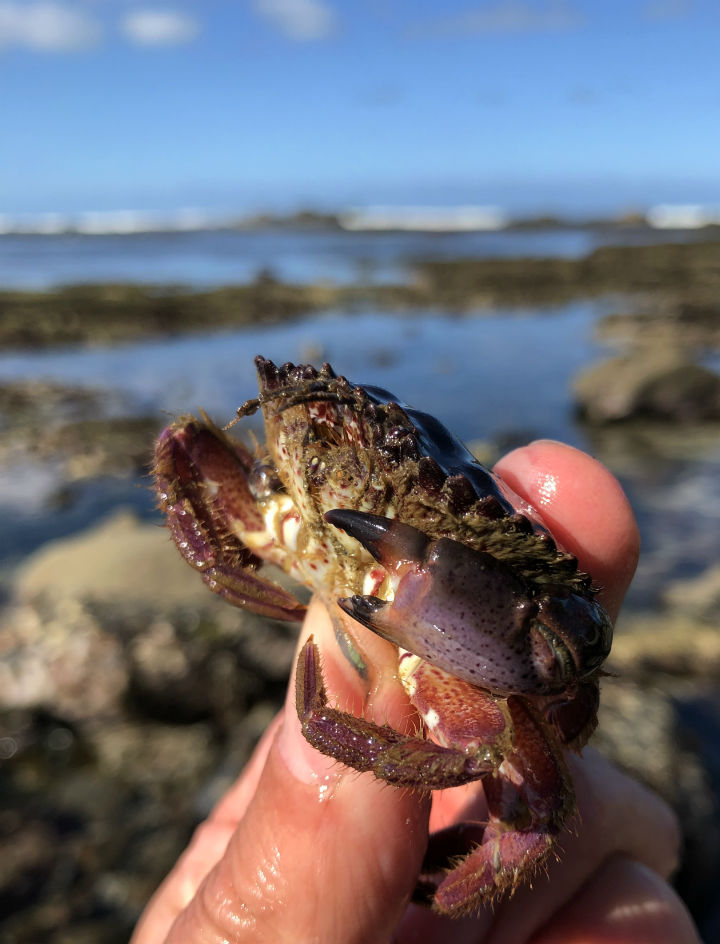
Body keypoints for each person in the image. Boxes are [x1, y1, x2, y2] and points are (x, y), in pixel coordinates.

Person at [132, 441, 701, 944]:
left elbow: (534, 758)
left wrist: (326, 723)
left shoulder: (479, 635)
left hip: (444, 621)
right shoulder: (288, 467)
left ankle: (424, 897)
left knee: (531, 800)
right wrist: (219, 563)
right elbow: (184, 450)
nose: (350, 465)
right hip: (296, 518)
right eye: (319, 427)